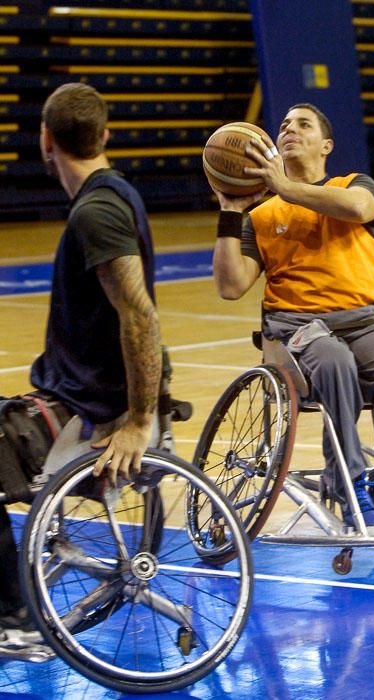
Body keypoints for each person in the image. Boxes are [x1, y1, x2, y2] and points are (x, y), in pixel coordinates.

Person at [211, 102, 374, 528]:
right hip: (298, 326)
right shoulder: (263, 215)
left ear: (326, 145)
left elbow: (358, 210)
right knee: (333, 360)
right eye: (284, 125)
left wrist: (283, 187)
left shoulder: (356, 186)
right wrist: (230, 213)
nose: (289, 129)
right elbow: (231, 287)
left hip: (363, 319)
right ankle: (347, 483)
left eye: (302, 124)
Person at [0, 83, 162, 637]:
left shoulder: (97, 212)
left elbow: (139, 316)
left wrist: (140, 421)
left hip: (88, 413)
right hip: (70, 395)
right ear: (105, 136)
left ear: (45, 140)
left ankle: (11, 616)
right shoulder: (112, 195)